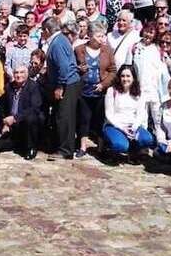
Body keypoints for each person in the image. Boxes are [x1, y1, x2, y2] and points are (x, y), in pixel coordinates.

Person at [42, 17, 83, 159]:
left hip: (68, 84)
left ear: (47, 30)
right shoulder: (59, 40)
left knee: (65, 117)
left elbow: (64, 67)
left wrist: (60, 86)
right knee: (62, 116)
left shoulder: (57, 43)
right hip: (68, 82)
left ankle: (66, 150)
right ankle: (62, 146)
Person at [74, 20, 115, 158]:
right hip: (84, 90)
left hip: (100, 91)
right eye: (99, 36)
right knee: (84, 119)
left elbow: (113, 70)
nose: (102, 39)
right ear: (90, 35)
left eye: (103, 36)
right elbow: (73, 67)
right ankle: (82, 147)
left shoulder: (107, 50)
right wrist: (79, 69)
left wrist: (103, 84)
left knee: (99, 119)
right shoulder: (79, 49)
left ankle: (100, 147)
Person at [102, 64, 156, 159]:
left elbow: (141, 113)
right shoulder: (112, 91)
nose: (125, 79)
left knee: (147, 139)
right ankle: (110, 147)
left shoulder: (139, 93)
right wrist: (122, 128)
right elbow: (109, 114)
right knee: (120, 145)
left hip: (132, 125)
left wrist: (134, 128)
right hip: (115, 125)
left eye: (128, 76)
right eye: (122, 76)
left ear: (133, 77)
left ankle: (133, 149)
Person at [128, 22, 170, 137]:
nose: (148, 35)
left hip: (155, 90)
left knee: (158, 120)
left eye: (151, 32)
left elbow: (164, 72)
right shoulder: (135, 47)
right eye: (146, 31)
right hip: (139, 90)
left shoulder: (157, 49)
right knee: (141, 119)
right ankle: (143, 148)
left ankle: (161, 145)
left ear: (155, 34)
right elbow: (128, 68)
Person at [0, 64, 44, 160]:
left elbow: (34, 108)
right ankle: (19, 142)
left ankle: (31, 148)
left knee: (31, 118)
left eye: (22, 72)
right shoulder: (9, 87)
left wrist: (15, 118)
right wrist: (5, 122)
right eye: (16, 73)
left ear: (27, 74)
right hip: (14, 124)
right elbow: (2, 105)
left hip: (26, 121)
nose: (19, 75)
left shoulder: (33, 86)